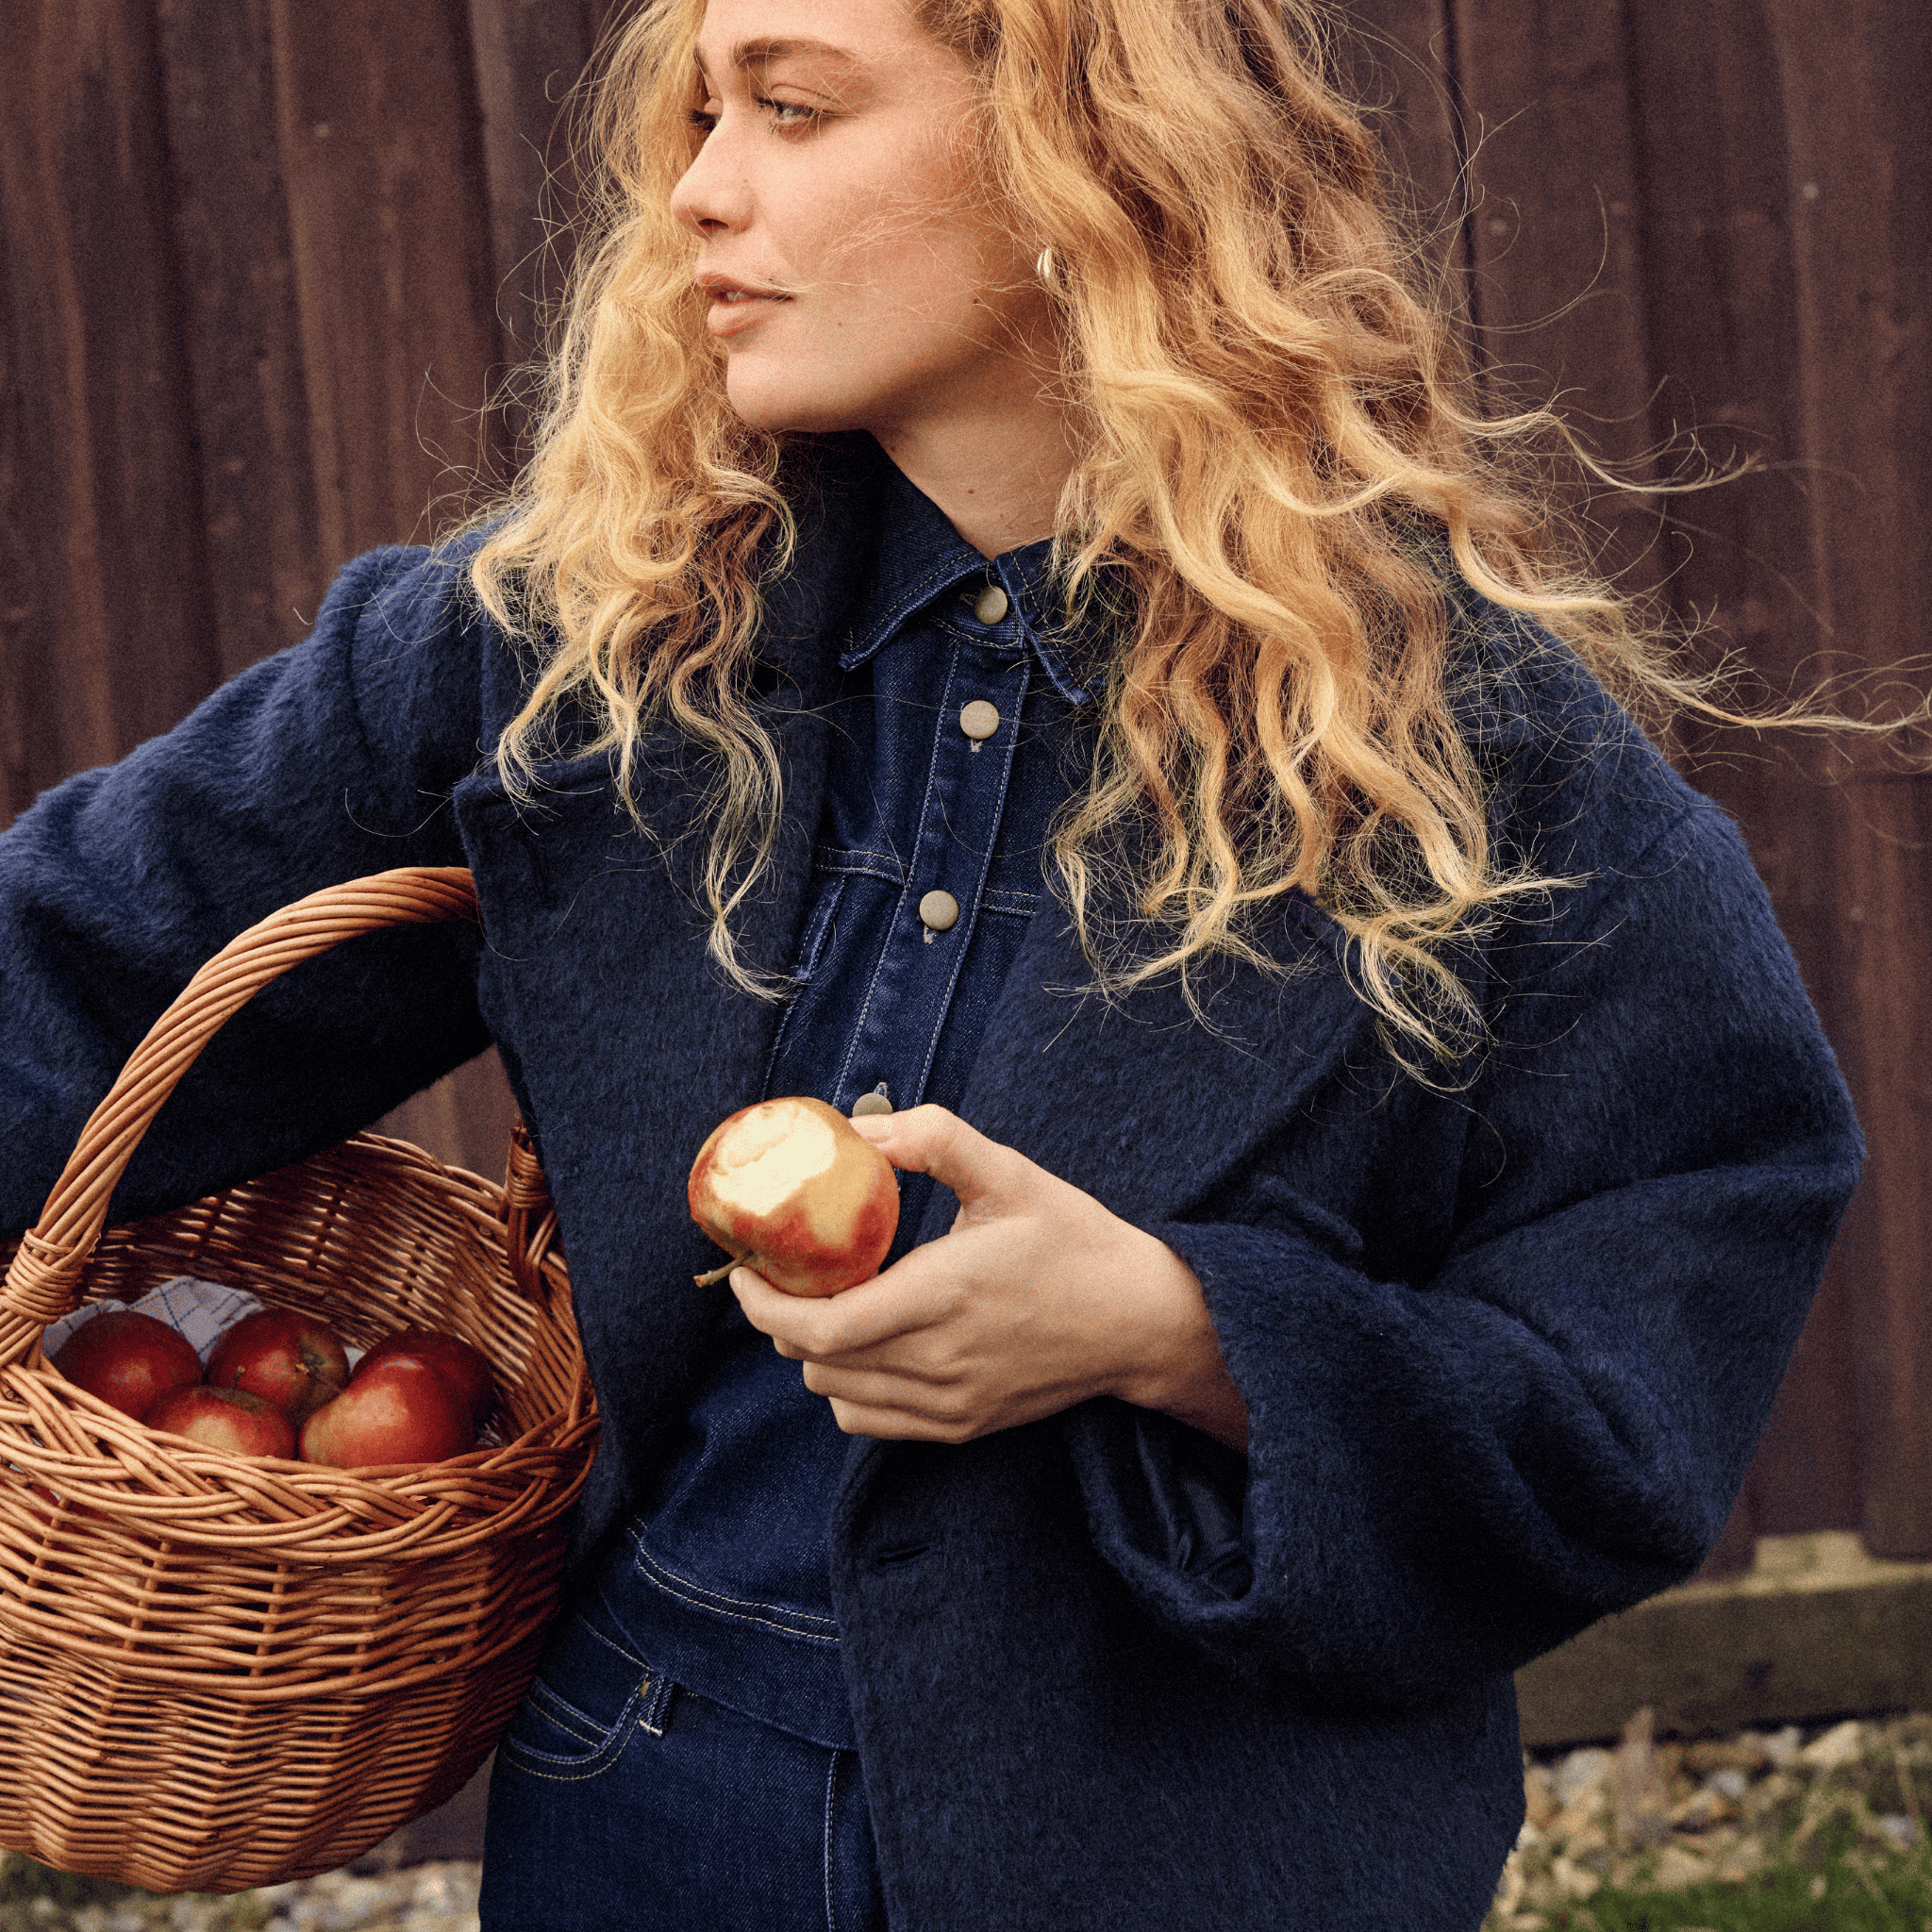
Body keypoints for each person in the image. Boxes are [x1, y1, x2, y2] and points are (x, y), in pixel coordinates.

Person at [0, 0, 1864, 1925]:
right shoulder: (581, 643)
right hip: (645, 1808)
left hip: (1192, 1850)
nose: (703, 189)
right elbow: (81, 957)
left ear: (1083, 148)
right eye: (702, 113)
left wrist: (1177, 1327)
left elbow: (1647, 1349)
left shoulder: (1457, 745)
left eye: (793, 108)